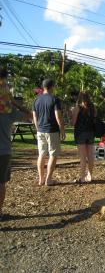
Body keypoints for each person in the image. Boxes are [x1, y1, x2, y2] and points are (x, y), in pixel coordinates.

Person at [0, 67, 31, 220]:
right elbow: (30, 115)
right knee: (1, 184)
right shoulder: (9, 111)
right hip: (3, 152)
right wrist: (14, 103)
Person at [32, 79, 65, 186]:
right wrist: (62, 130)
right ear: (52, 87)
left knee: (41, 154)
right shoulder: (55, 99)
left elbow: (35, 117)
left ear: (43, 87)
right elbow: (58, 116)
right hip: (52, 131)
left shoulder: (36, 100)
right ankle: (48, 179)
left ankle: (41, 179)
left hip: (40, 131)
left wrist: (38, 128)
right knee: (53, 155)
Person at [71, 92, 96, 183]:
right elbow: (94, 119)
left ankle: (82, 177)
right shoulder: (93, 107)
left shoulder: (77, 108)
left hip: (80, 133)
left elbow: (73, 123)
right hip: (91, 133)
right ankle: (90, 175)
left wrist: (72, 114)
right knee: (90, 156)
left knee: (82, 157)